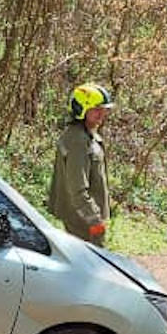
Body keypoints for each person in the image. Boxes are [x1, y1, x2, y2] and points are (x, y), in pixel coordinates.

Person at [48, 83, 113, 246]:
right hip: (83, 221)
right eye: (96, 109)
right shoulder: (78, 141)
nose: (102, 113)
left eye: (104, 109)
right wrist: (95, 220)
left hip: (85, 218)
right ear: (82, 110)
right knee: (92, 267)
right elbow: (77, 188)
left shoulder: (88, 136)